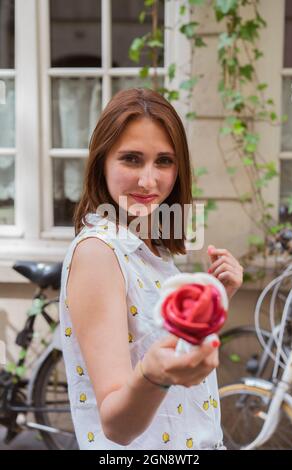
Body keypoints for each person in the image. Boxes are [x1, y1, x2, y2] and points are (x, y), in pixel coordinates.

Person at [59, 88, 243, 450]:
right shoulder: (100, 252)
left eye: (163, 161)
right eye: (131, 159)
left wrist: (215, 298)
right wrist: (153, 376)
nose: (148, 181)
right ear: (102, 162)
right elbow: (116, 425)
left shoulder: (147, 247)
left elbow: (160, 345)